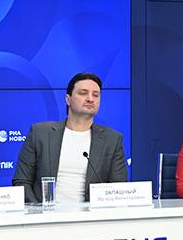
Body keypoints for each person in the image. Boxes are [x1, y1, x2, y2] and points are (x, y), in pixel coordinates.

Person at [11, 72, 128, 204]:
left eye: (96, 95)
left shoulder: (112, 140)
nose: (90, 99)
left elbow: (118, 189)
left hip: (92, 215)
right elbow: (22, 181)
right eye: (83, 93)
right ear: (68, 99)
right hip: (45, 214)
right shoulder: (40, 133)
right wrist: (40, 212)